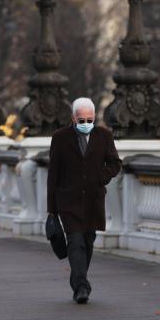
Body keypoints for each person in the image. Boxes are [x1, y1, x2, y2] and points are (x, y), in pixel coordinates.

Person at [47, 97, 122, 304]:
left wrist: (101, 177)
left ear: (94, 117)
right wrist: (51, 209)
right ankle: (82, 287)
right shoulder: (60, 138)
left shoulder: (104, 136)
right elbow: (53, 174)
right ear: (73, 118)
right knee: (75, 242)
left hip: (93, 200)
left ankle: (78, 280)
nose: (86, 124)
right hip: (68, 201)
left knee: (87, 242)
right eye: (82, 120)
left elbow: (115, 163)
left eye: (90, 119)